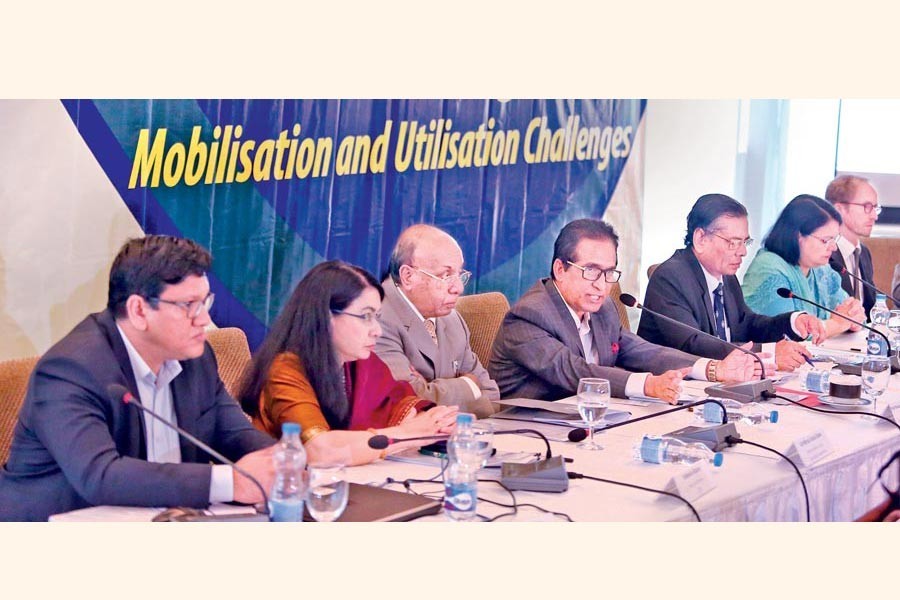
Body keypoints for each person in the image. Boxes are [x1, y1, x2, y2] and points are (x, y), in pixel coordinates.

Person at [0, 236, 277, 521]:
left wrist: (284, 462)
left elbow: (233, 433)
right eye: (190, 305)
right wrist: (231, 482)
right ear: (139, 311)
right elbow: (101, 476)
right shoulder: (69, 370)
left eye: (206, 301)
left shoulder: (196, 357)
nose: (204, 319)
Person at [488, 219, 756, 403]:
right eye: (590, 271)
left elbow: (642, 351)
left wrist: (713, 369)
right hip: (527, 433)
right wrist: (647, 385)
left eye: (608, 273)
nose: (601, 285)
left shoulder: (603, 309)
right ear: (560, 269)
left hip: (586, 422)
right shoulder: (529, 316)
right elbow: (576, 372)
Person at [238, 260, 458, 467]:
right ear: (325, 316)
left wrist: (435, 422)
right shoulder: (285, 370)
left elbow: (400, 408)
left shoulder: (359, 362)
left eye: (377, 317)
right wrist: (412, 434)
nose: (377, 331)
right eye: (365, 317)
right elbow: (320, 451)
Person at [638, 194, 826, 372]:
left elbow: (748, 323)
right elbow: (694, 344)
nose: (743, 251)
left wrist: (793, 322)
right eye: (733, 242)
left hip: (721, 383)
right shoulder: (670, 277)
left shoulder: (725, 276)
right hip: (672, 388)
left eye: (745, 242)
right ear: (701, 239)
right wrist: (768, 354)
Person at [376, 224, 498, 418]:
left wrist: (431, 390)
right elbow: (405, 402)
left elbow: (491, 393)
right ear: (408, 276)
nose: (458, 288)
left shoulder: (451, 319)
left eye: (459, 275)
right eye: (446, 275)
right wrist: (467, 386)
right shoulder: (376, 318)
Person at [743, 195, 866, 338]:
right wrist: (837, 324)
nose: (833, 247)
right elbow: (785, 335)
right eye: (826, 240)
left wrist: (854, 316)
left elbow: (845, 310)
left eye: (835, 239)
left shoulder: (821, 270)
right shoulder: (768, 269)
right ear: (798, 236)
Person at [825, 175, 881, 318]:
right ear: (839, 209)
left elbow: (869, 309)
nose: (874, 216)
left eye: (875, 208)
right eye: (867, 207)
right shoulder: (823, 253)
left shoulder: (864, 253)